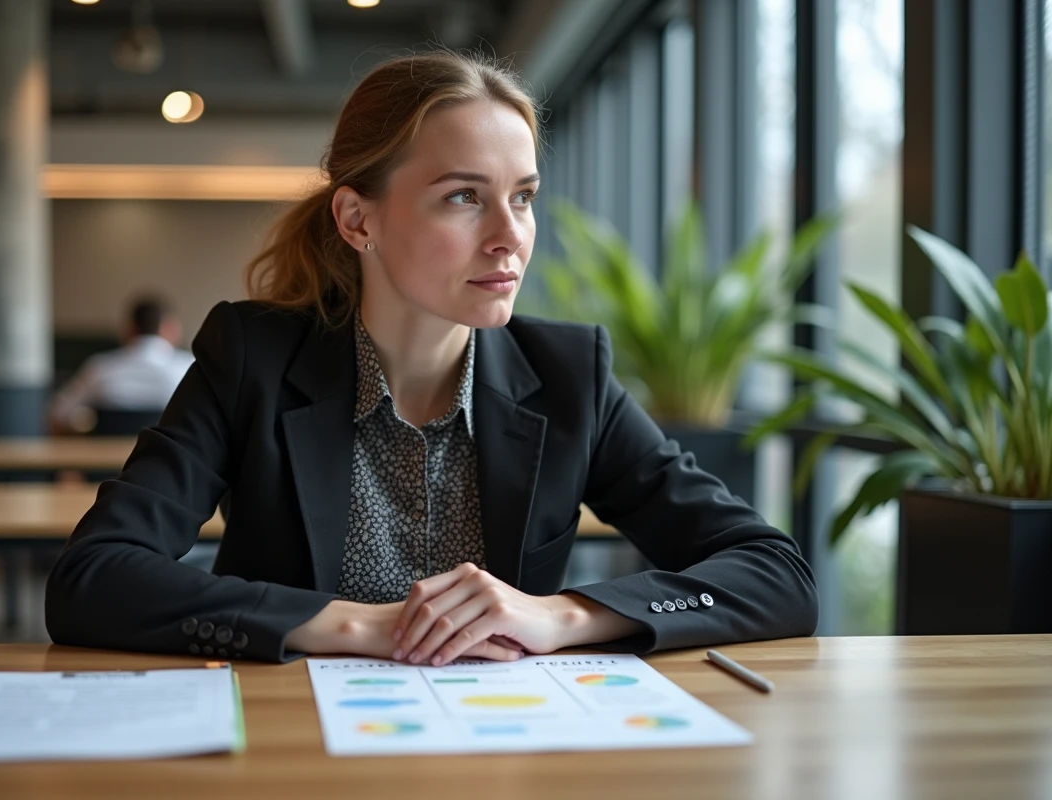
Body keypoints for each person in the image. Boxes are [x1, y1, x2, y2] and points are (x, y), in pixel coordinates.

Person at [45, 50, 818, 665]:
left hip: (499, 752)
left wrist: (560, 615)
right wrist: (355, 627)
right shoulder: (251, 357)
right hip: (295, 753)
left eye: (522, 195)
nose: (510, 235)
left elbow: (775, 573)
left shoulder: (568, 376)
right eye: (463, 196)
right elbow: (92, 578)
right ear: (357, 218)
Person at [47, 297, 194, 434]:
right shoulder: (187, 367)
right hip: (167, 459)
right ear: (168, 328)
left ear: (130, 328)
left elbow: (58, 413)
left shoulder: (100, 367)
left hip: (104, 459)